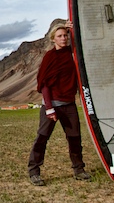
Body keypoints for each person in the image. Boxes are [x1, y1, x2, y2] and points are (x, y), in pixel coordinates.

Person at [27, 22, 92, 186]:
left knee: (74, 137)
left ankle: (79, 169)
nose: (63, 38)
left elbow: (82, 41)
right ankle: (34, 171)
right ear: (53, 39)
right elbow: (44, 83)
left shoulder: (72, 54)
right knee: (42, 138)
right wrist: (49, 108)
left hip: (69, 103)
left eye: (65, 35)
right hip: (52, 105)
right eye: (60, 36)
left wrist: (71, 27)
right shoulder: (50, 56)